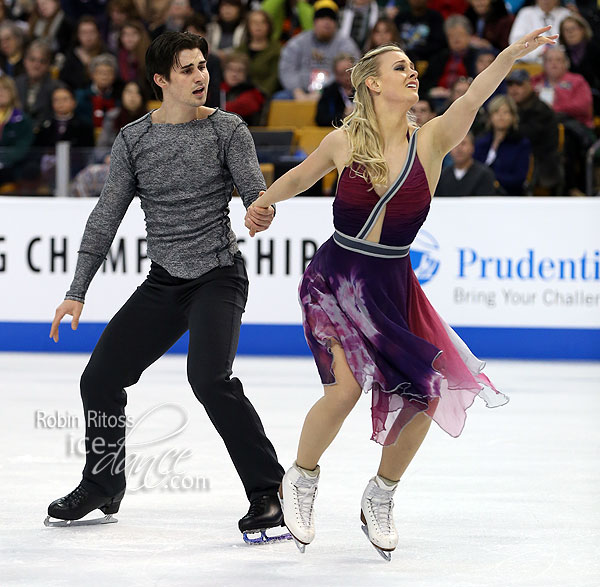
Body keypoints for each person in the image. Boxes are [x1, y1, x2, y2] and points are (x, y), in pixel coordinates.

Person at [244, 26, 554, 560]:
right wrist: (263, 203)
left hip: (393, 286)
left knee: (425, 393)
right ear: (370, 84)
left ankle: (381, 494)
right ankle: (301, 477)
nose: (412, 73)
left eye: (413, 67)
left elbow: (474, 95)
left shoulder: (431, 139)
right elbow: (299, 176)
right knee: (344, 391)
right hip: (338, 279)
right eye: (400, 67)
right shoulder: (342, 141)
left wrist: (506, 57)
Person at [46, 31, 287, 544]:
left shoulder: (228, 129)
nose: (201, 76)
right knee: (100, 378)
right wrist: (77, 289)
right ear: (161, 80)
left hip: (218, 275)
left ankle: (268, 492)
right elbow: (104, 218)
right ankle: (102, 484)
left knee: (209, 379)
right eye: (187, 69)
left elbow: (255, 193)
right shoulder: (135, 139)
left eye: (203, 66)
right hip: (164, 281)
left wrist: (259, 209)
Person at [275, 0, 360, 101]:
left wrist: (322, 91)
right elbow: (287, 69)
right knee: (280, 98)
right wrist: (297, 91)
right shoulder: (297, 42)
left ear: (336, 23)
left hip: (334, 93)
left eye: (331, 18)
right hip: (299, 92)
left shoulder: (346, 44)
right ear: (314, 21)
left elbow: (350, 71)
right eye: (322, 17)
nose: (327, 22)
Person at [506, 67, 562, 195]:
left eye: (519, 84)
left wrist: (504, 128)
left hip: (539, 162)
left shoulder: (541, 110)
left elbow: (527, 136)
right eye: (510, 84)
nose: (514, 89)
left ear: (529, 85)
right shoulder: (507, 107)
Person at [474, 95, 531, 196]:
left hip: (509, 196)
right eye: (496, 112)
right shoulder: (481, 142)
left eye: (506, 112)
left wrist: (491, 180)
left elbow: (519, 178)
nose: (501, 116)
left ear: (513, 117)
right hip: (480, 195)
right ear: (490, 117)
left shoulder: (521, 144)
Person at [435, 132, 501, 195]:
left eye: (463, 143)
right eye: (455, 144)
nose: (459, 148)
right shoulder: (441, 176)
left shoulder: (485, 175)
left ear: (472, 147)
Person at [15, 39, 59, 133]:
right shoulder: (15, 84)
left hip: (45, 137)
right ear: (25, 61)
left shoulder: (57, 88)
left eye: (42, 61)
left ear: (49, 65)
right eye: (32, 60)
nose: (36, 65)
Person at [315, 53, 355, 127]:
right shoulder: (329, 92)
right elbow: (321, 119)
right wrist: (343, 116)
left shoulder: (363, 89)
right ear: (336, 75)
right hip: (337, 132)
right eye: (342, 74)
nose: (347, 77)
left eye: (350, 72)